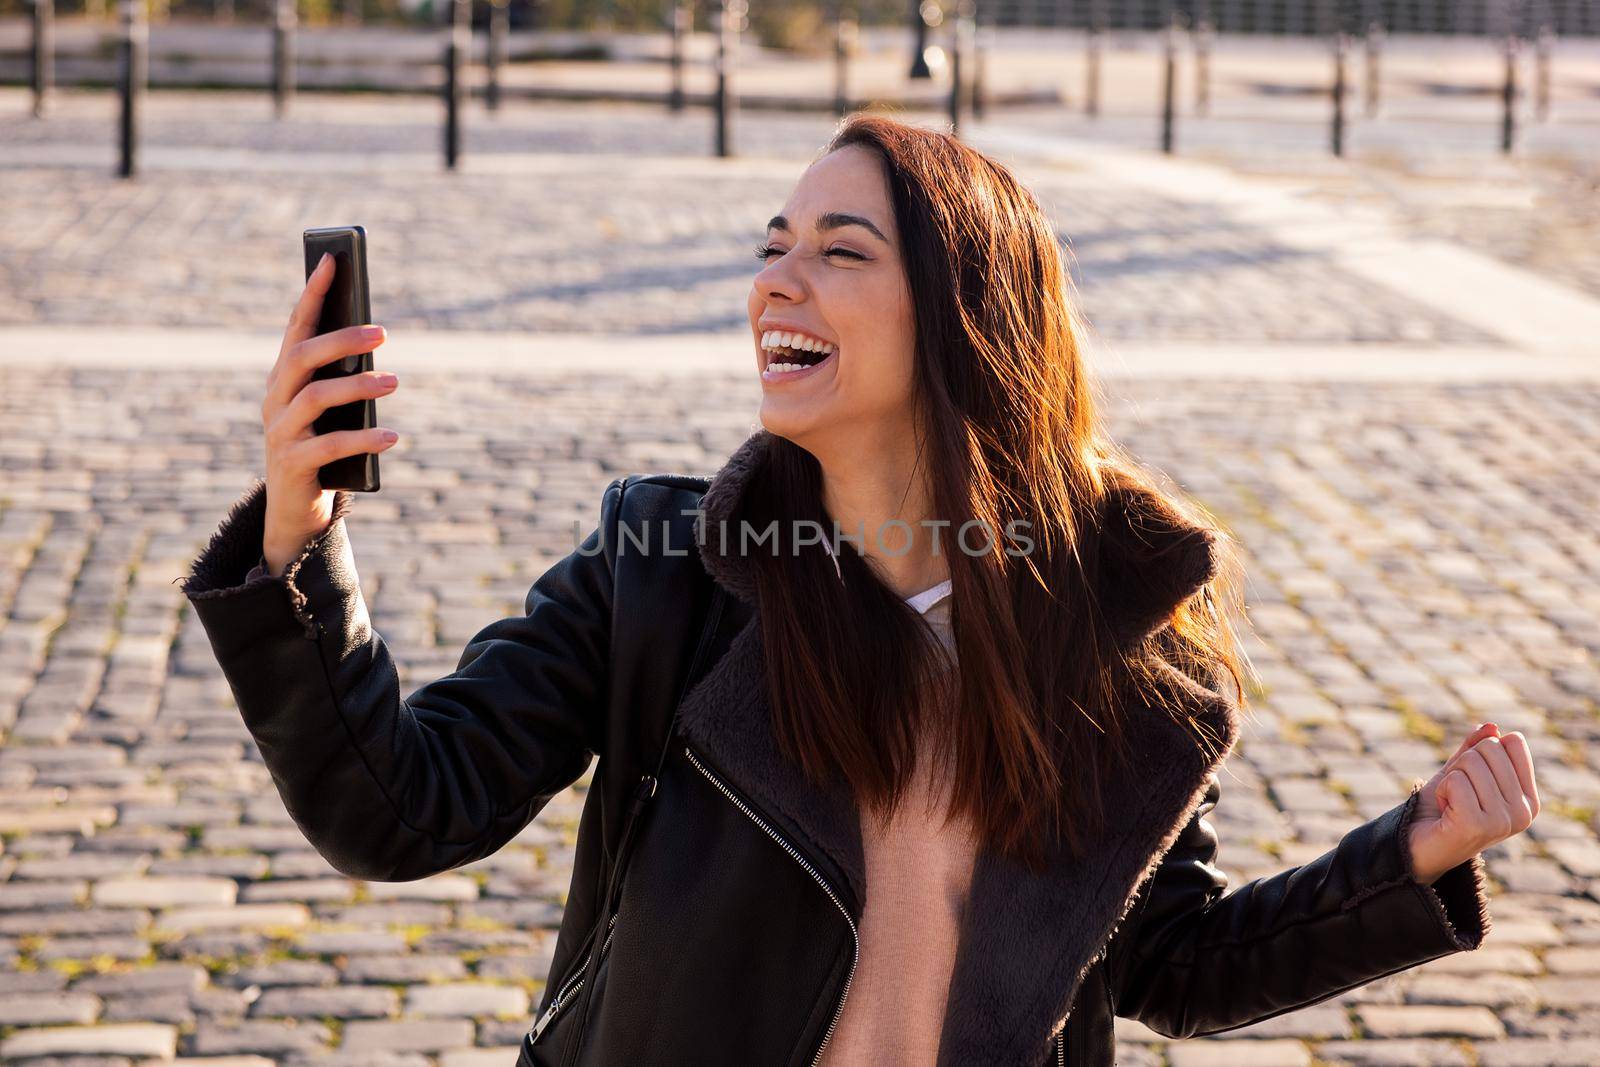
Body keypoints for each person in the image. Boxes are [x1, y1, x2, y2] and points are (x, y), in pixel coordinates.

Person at [180, 115, 1535, 1067]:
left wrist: (1406, 858)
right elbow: (400, 808)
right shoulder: (664, 576)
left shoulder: (1111, 650)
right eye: (775, 245)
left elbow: (1168, 965)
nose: (778, 278)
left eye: (840, 250)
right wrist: (299, 538)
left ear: (965, 319)